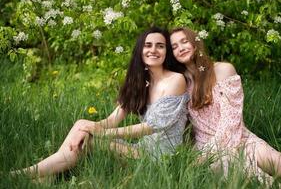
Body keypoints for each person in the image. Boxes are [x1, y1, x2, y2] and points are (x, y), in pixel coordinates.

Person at [12, 27, 189, 179]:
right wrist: (88, 128)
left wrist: (102, 133)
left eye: (160, 46)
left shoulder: (176, 80)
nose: (153, 50)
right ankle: (43, 175)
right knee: (82, 124)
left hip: (160, 157)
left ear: (167, 52)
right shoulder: (140, 82)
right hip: (140, 149)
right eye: (148, 45)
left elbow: (151, 127)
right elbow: (112, 120)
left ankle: (23, 175)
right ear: (140, 50)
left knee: (90, 141)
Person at [170, 27, 281, 185]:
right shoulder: (180, 84)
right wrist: (204, 155)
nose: (181, 48)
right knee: (247, 171)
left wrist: (211, 151)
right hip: (208, 150)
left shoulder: (222, 70)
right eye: (174, 46)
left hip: (238, 137)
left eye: (185, 41)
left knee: (273, 159)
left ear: (196, 43)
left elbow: (231, 121)